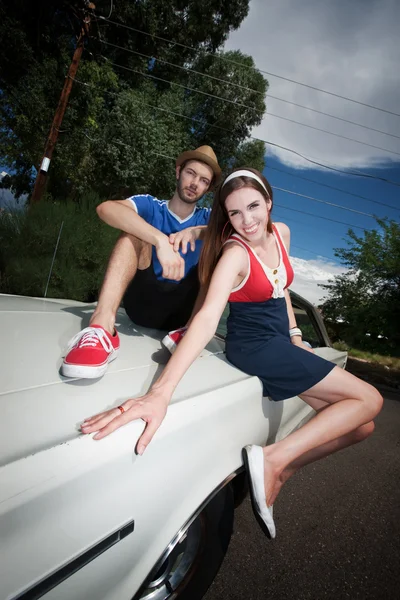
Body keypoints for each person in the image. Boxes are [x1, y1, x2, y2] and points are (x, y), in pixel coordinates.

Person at [80, 168, 383, 539]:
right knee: (371, 399)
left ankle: (283, 469)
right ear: (226, 215)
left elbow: (282, 289)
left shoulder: (282, 234)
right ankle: (271, 459)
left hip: (280, 342)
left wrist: (296, 334)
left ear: (269, 203)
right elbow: (208, 316)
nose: (247, 220)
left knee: (361, 428)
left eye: (254, 206)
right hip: (254, 346)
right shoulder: (234, 254)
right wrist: (160, 392)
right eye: (235, 213)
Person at [62, 145, 221, 379]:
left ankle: (190, 334)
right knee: (131, 234)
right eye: (191, 173)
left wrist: (200, 233)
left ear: (207, 187)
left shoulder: (208, 218)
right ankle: (100, 328)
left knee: (218, 252)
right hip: (141, 303)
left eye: (204, 180)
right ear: (178, 171)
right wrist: (159, 240)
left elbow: (241, 236)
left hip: (182, 315)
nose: (195, 183)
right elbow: (106, 209)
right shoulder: (150, 205)